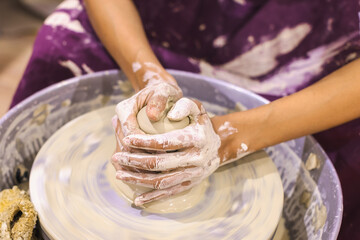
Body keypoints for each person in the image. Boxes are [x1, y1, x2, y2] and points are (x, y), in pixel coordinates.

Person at [10, 0, 360, 238]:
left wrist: (232, 138)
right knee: (59, 51)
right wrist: (146, 73)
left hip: (312, 61)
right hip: (153, 23)